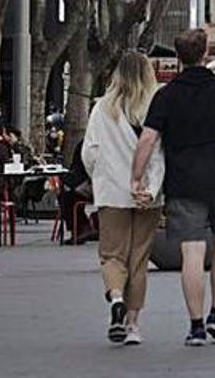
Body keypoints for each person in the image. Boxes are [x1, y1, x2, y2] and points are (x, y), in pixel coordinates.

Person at [132, 29, 215, 347]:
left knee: (191, 251)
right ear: (206, 52)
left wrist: (136, 177)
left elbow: (148, 138)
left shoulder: (166, 95)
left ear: (179, 57)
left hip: (183, 182)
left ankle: (195, 325)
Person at [83, 52, 166, 345]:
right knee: (139, 258)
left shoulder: (101, 109)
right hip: (146, 195)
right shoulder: (154, 107)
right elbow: (159, 154)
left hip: (112, 193)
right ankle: (132, 324)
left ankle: (116, 297)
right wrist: (152, 188)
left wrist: (102, 176)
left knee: (112, 255)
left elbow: (89, 153)